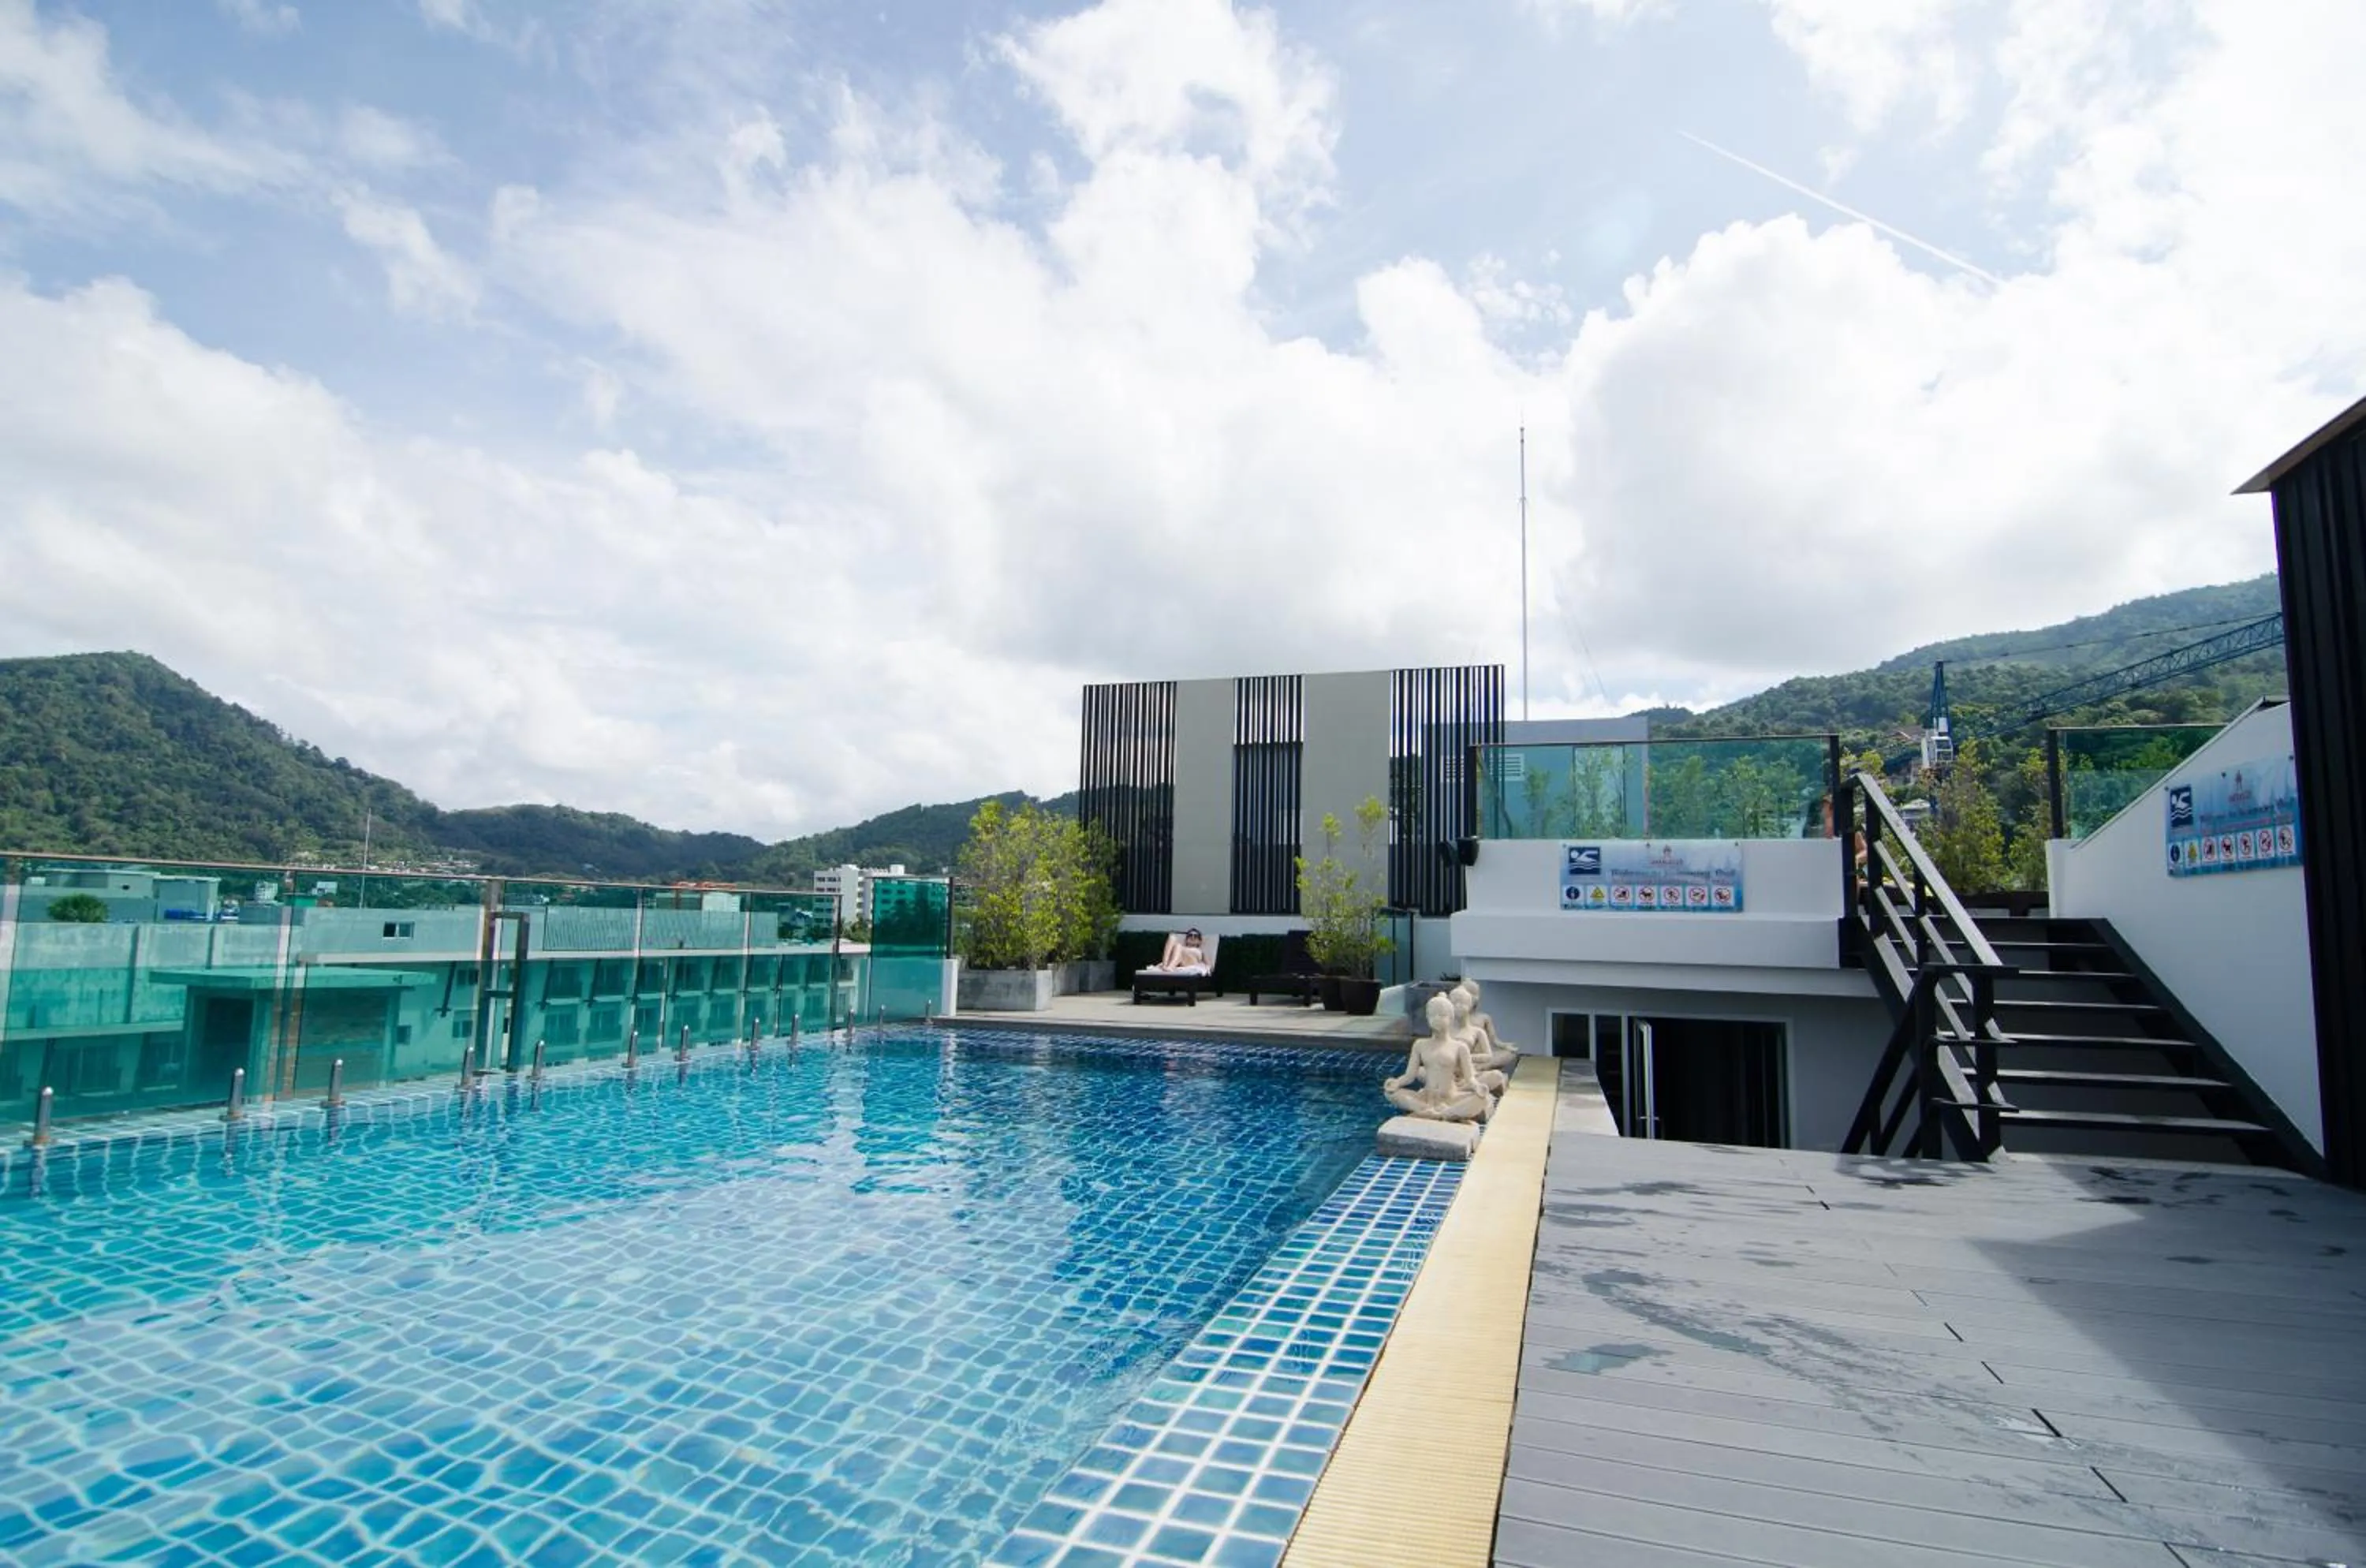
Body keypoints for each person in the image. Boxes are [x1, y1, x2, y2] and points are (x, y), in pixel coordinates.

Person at [1144, 928, 1210, 975]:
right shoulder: (1180, 948)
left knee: (1178, 946)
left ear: (1199, 941)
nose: (1192, 937)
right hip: (1179, 960)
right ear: (1186, 940)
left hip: (1191, 962)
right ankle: (1165, 965)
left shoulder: (1201, 951)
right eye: (1190, 935)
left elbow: (1208, 965)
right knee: (1172, 937)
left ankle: (1169, 967)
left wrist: (1205, 969)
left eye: (1196, 936)